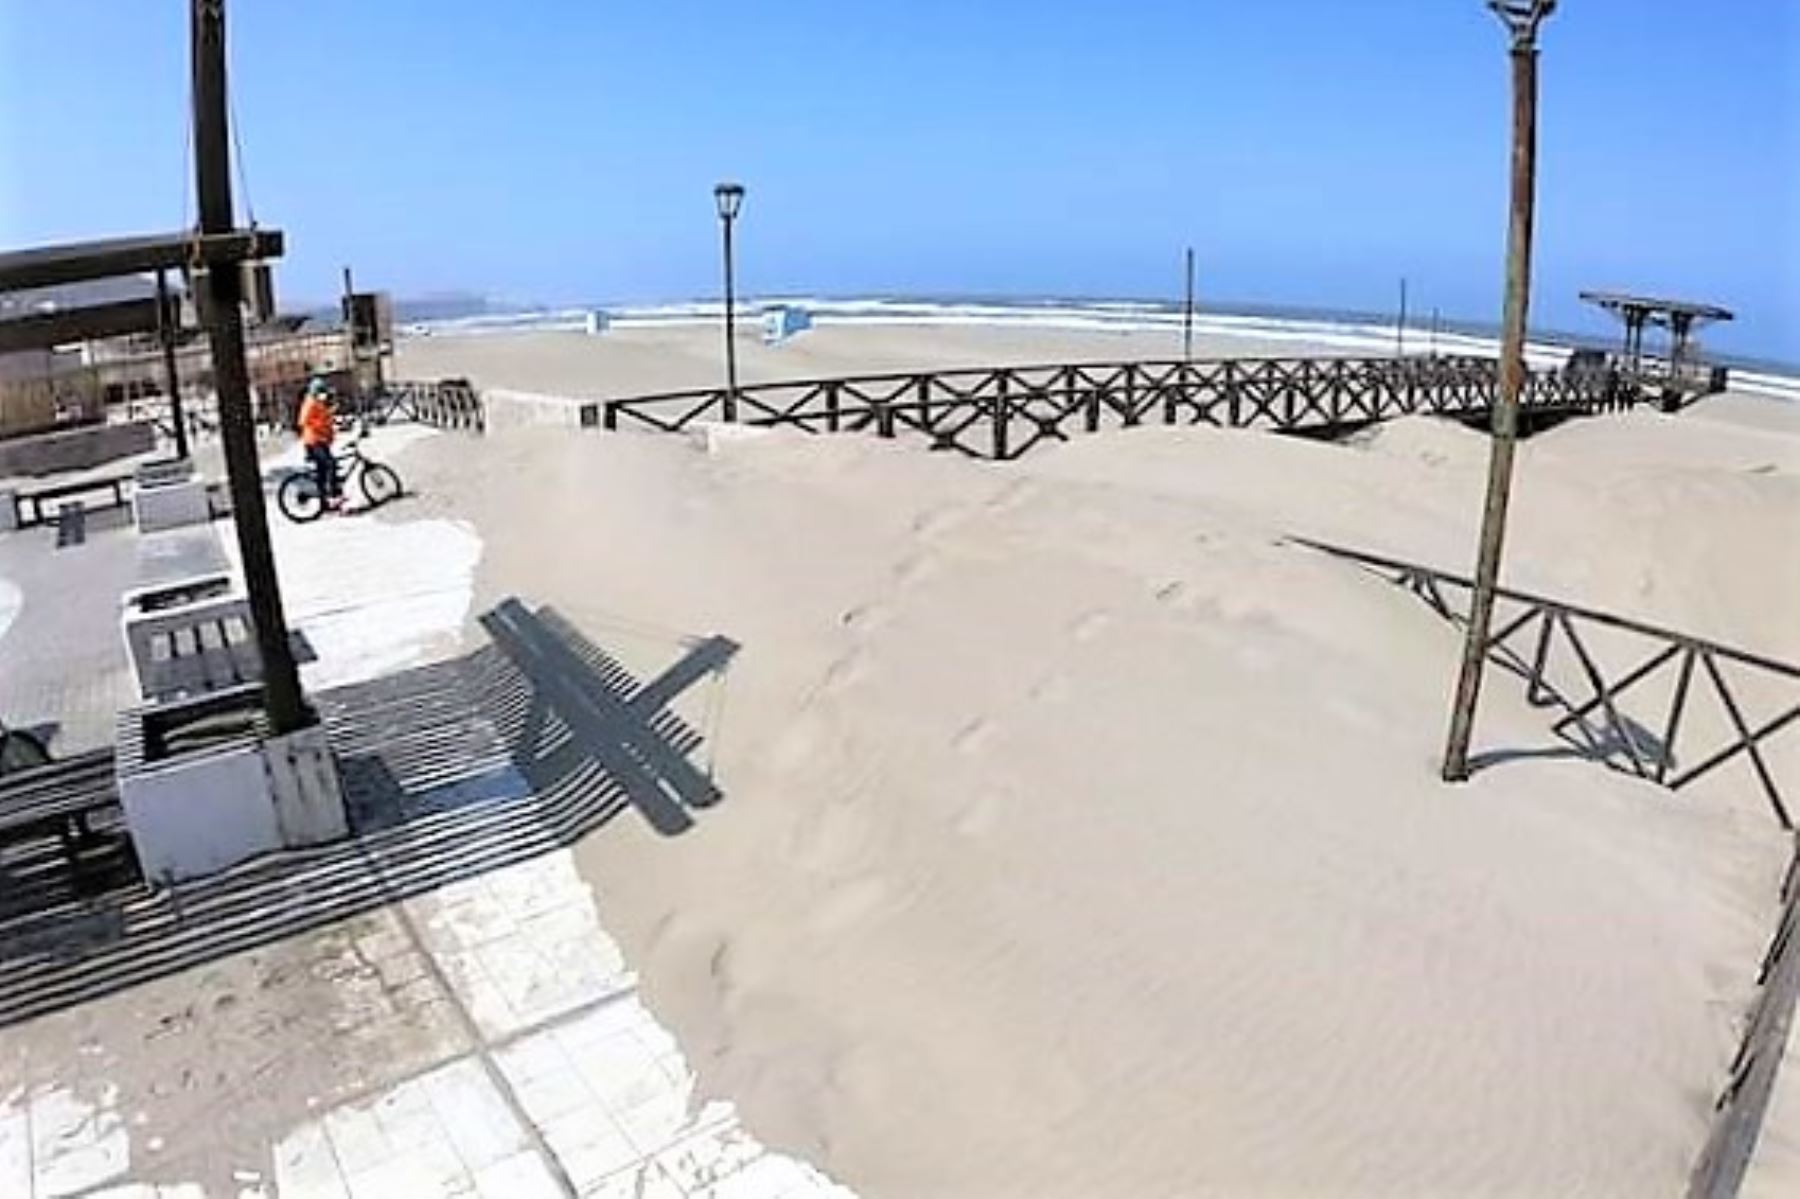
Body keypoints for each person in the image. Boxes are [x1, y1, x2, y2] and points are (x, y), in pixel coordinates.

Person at [296, 377, 343, 510]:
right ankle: (334, 494)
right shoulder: (310, 403)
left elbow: (325, 418)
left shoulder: (318, 403)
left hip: (320, 440)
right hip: (313, 441)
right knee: (331, 464)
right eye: (321, 391)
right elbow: (303, 421)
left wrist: (335, 421)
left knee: (322, 472)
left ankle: (324, 503)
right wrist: (323, 424)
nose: (323, 394)